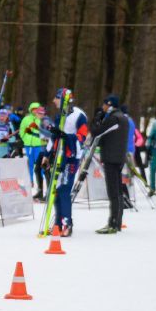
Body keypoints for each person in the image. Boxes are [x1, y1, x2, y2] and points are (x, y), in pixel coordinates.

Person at [93, 97, 131, 234]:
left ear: (109, 105)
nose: (102, 107)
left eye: (104, 104)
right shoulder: (124, 118)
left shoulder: (113, 118)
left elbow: (97, 132)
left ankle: (113, 223)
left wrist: (97, 119)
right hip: (119, 157)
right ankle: (117, 222)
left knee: (113, 192)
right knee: (118, 191)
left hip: (111, 157)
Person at [53, 95, 88, 236]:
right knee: (56, 191)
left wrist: (67, 137)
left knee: (64, 190)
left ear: (64, 100)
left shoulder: (79, 115)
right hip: (59, 157)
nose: (54, 101)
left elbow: (82, 136)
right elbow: (54, 137)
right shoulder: (59, 116)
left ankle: (67, 224)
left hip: (72, 157)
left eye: (56, 98)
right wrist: (47, 154)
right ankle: (57, 224)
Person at [19, 102, 48, 200]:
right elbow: (22, 130)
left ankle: (43, 184)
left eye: (37, 109)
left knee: (40, 165)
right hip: (29, 145)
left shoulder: (43, 120)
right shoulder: (26, 119)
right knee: (30, 164)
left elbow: (46, 134)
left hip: (39, 145)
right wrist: (24, 138)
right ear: (31, 110)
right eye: (33, 109)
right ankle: (31, 181)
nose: (35, 111)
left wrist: (44, 143)